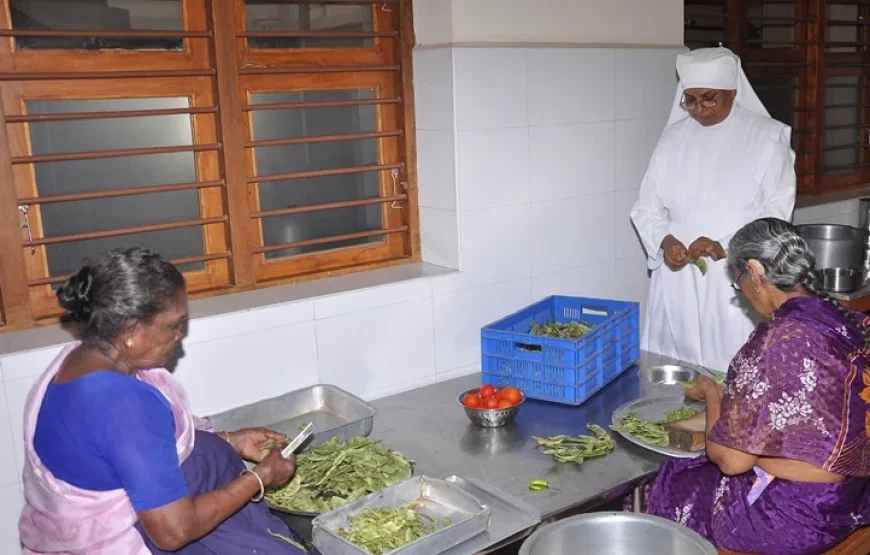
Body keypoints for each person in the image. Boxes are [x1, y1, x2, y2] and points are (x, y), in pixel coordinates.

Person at [18, 247, 307, 554]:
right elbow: (173, 531)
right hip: (136, 538)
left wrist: (229, 441)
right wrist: (261, 477)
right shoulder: (125, 406)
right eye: (173, 325)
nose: (180, 335)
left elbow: (127, 455)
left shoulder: (77, 363)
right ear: (131, 330)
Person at [644, 218, 870, 555]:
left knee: (673, 481)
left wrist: (711, 395)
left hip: (796, 517)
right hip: (853, 497)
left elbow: (732, 460)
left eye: (739, 281)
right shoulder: (848, 319)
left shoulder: (777, 341)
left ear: (755, 270)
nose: (745, 295)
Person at [630, 47, 796, 373]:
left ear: (733, 91)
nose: (699, 110)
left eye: (709, 98)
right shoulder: (673, 138)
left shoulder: (766, 135)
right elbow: (645, 206)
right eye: (690, 100)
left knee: (732, 369)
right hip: (677, 278)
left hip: (735, 276)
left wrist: (726, 244)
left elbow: (776, 211)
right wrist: (665, 240)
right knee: (675, 372)